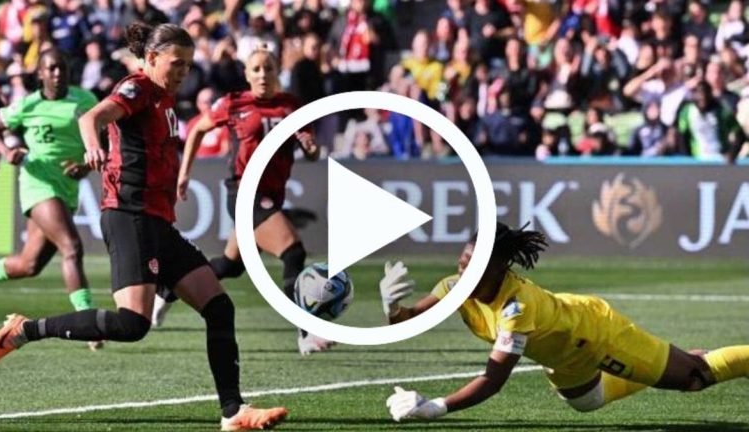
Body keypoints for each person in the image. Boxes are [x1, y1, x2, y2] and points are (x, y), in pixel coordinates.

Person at [0, 23, 288, 431]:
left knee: (219, 306)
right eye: (175, 63)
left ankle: (233, 412)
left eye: (187, 64)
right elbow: (94, 116)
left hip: (157, 222)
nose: (183, 71)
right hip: (130, 216)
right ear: (151, 59)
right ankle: (25, 330)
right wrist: (93, 143)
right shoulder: (140, 87)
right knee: (132, 325)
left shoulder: (164, 97)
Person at [381, 222, 749, 421]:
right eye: (463, 261)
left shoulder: (516, 307)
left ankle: (693, 362)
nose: (463, 271)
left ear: (499, 268)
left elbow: (493, 380)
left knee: (693, 378)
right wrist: (392, 307)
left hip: (595, 335)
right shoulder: (453, 286)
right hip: (562, 357)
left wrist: (438, 407)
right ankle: (664, 362)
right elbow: (408, 319)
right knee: (588, 403)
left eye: (474, 265)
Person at [164, 46, 325, 356]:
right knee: (293, 252)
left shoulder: (291, 106)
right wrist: (184, 172)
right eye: (257, 69)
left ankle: (168, 288)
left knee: (230, 266)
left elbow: (313, 152)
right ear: (247, 74)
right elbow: (197, 129)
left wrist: (310, 147)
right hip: (244, 193)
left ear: (278, 72)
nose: (263, 75)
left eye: (269, 68)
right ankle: (306, 332)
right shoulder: (234, 103)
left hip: (271, 197)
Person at [0, 49, 102, 350]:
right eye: (51, 69)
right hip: (38, 183)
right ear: (40, 74)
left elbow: (106, 141)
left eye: (61, 68)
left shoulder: (85, 100)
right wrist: (7, 151)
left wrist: (87, 165)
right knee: (71, 247)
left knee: (29, 264)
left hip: (67, 187)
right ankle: (88, 322)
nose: (57, 73)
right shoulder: (28, 104)